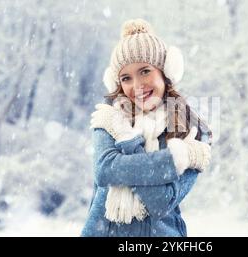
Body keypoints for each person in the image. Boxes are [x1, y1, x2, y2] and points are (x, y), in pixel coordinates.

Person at [81, 18, 212, 237]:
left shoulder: (190, 129)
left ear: (165, 71)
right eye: (126, 78)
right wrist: (173, 159)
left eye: (144, 71)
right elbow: (104, 170)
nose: (137, 85)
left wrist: (128, 147)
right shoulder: (109, 117)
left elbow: (161, 202)